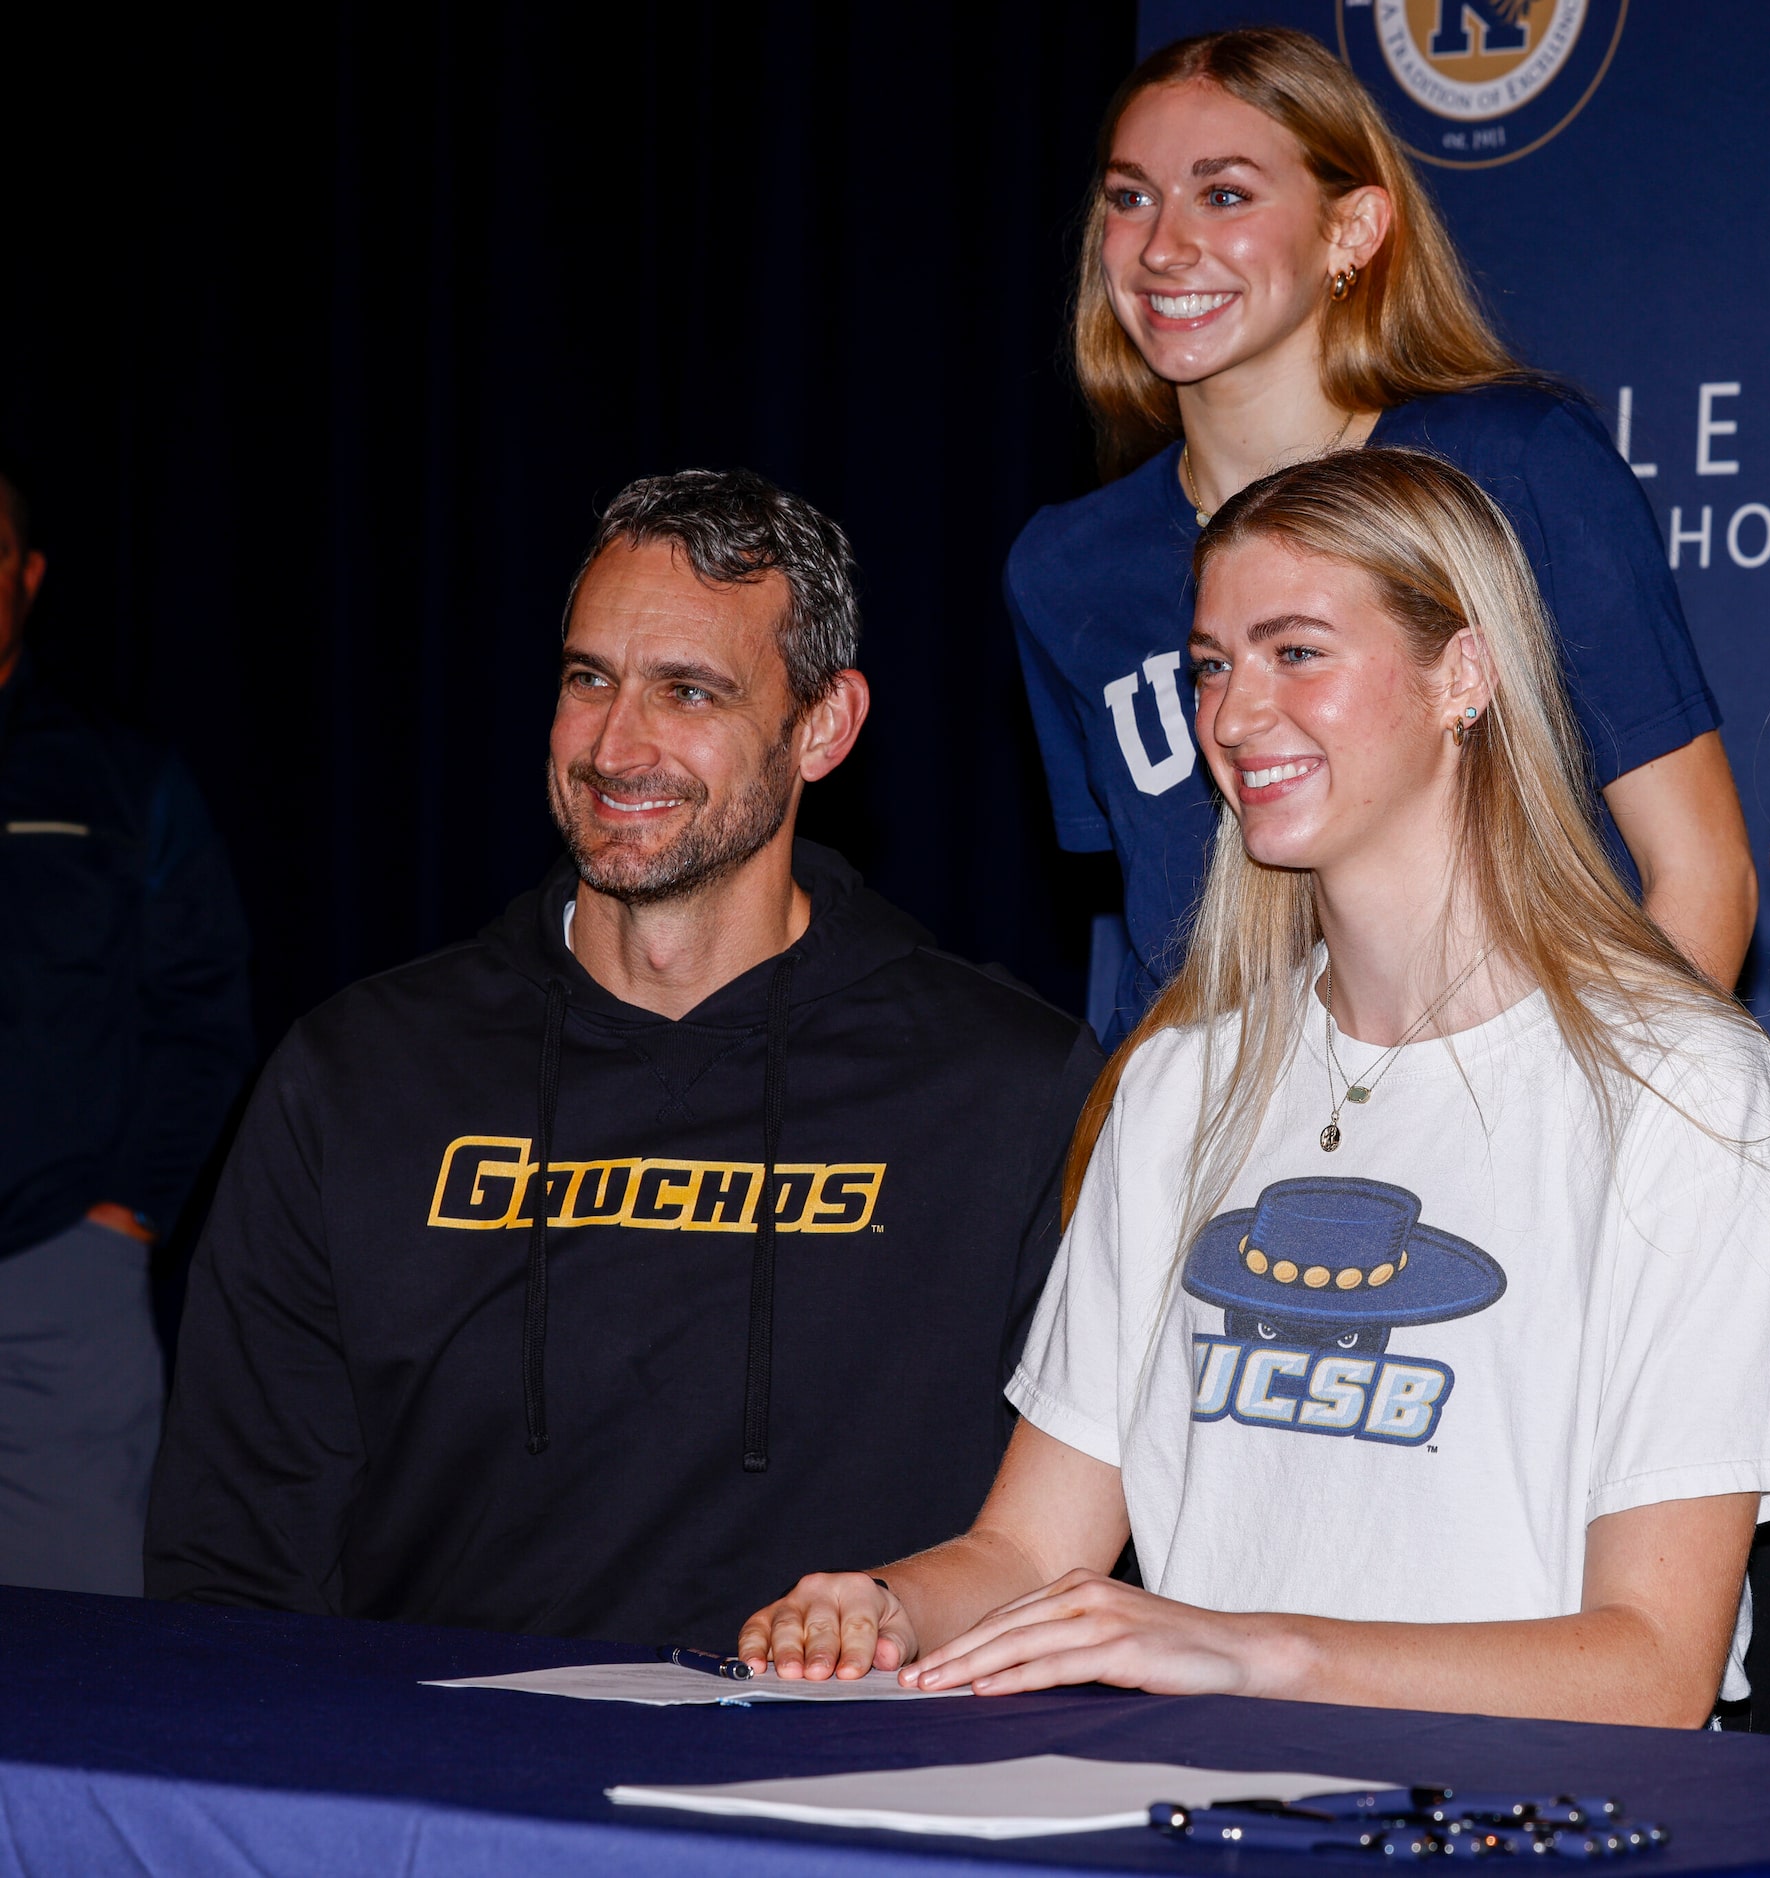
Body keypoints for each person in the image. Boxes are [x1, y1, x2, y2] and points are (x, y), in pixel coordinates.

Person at [742, 449, 1770, 1723]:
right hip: (1198, 1822)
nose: (1233, 714)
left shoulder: (1679, 1088)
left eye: (1296, 653)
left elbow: (1652, 1668)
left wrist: (1244, 1651)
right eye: (1211, 665)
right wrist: (879, 1604)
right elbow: (1029, 1557)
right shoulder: (1177, 1086)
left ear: (1464, 677)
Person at [146, 469, 1101, 1648]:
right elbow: (234, 1540)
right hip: (434, 1787)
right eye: (588, 678)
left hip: (829, 1794)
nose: (613, 745)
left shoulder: (1005, 1086)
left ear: (822, 726)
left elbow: (1060, 1553)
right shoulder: (359, 1072)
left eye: (687, 691)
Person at [1008, 26, 1753, 1048]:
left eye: (1222, 195)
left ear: (1351, 229)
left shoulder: (1513, 463)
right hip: (1227, 1152)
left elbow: (1698, 875)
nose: (1162, 245)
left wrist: (1595, 1150)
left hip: (1511, 1124)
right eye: (1130, 196)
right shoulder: (1066, 565)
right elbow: (1152, 941)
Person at [0, 466, 252, 1596]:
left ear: (28, 575)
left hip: (53, 1280)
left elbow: (203, 1016)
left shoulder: (120, 778)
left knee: (76, 1648)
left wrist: (123, 1218)